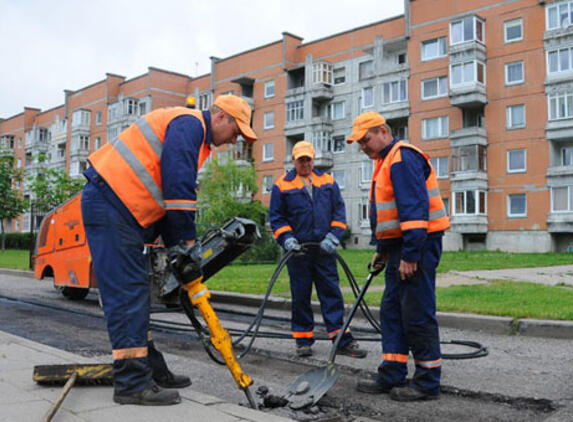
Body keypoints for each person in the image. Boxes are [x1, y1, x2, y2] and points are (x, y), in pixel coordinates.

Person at [81, 95, 256, 405]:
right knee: (128, 293)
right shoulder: (188, 125)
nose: (235, 140)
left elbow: (165, 198)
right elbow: (178, 189)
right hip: (111, 206)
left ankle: (150, 368)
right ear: (220, 118)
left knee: (136, 292)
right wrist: (187, 245)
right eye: (236, 130)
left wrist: (178, 247)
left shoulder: (194, 136)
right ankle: (132, 384)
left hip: (122, 211)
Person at [347, 111, 449, 402]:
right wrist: (382, 251)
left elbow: (414, 210)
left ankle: (428, 381)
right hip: (398, 248)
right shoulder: (385, 161)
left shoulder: (402, 157)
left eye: (365, 140)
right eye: (359, 143)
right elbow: (388, 214)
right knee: (393, 311)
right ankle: (392, 372)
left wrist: (410, 255)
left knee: (416, 312)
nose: (362, 147)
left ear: (382, 131)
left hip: (416, 246)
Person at [269, 141, 367, 359]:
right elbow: (276, 218)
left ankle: (341, 338)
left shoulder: (328, 182)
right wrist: (287, 239)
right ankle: (303, 340)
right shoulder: (282, 185)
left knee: (331, 292)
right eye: (301, 160)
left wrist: (334, 236)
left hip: (324, 250)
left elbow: (339, 213)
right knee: (301, 296)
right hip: (298, 252)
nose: (305, 163)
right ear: (293, 161)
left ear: (313, 159)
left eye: (308, 159)